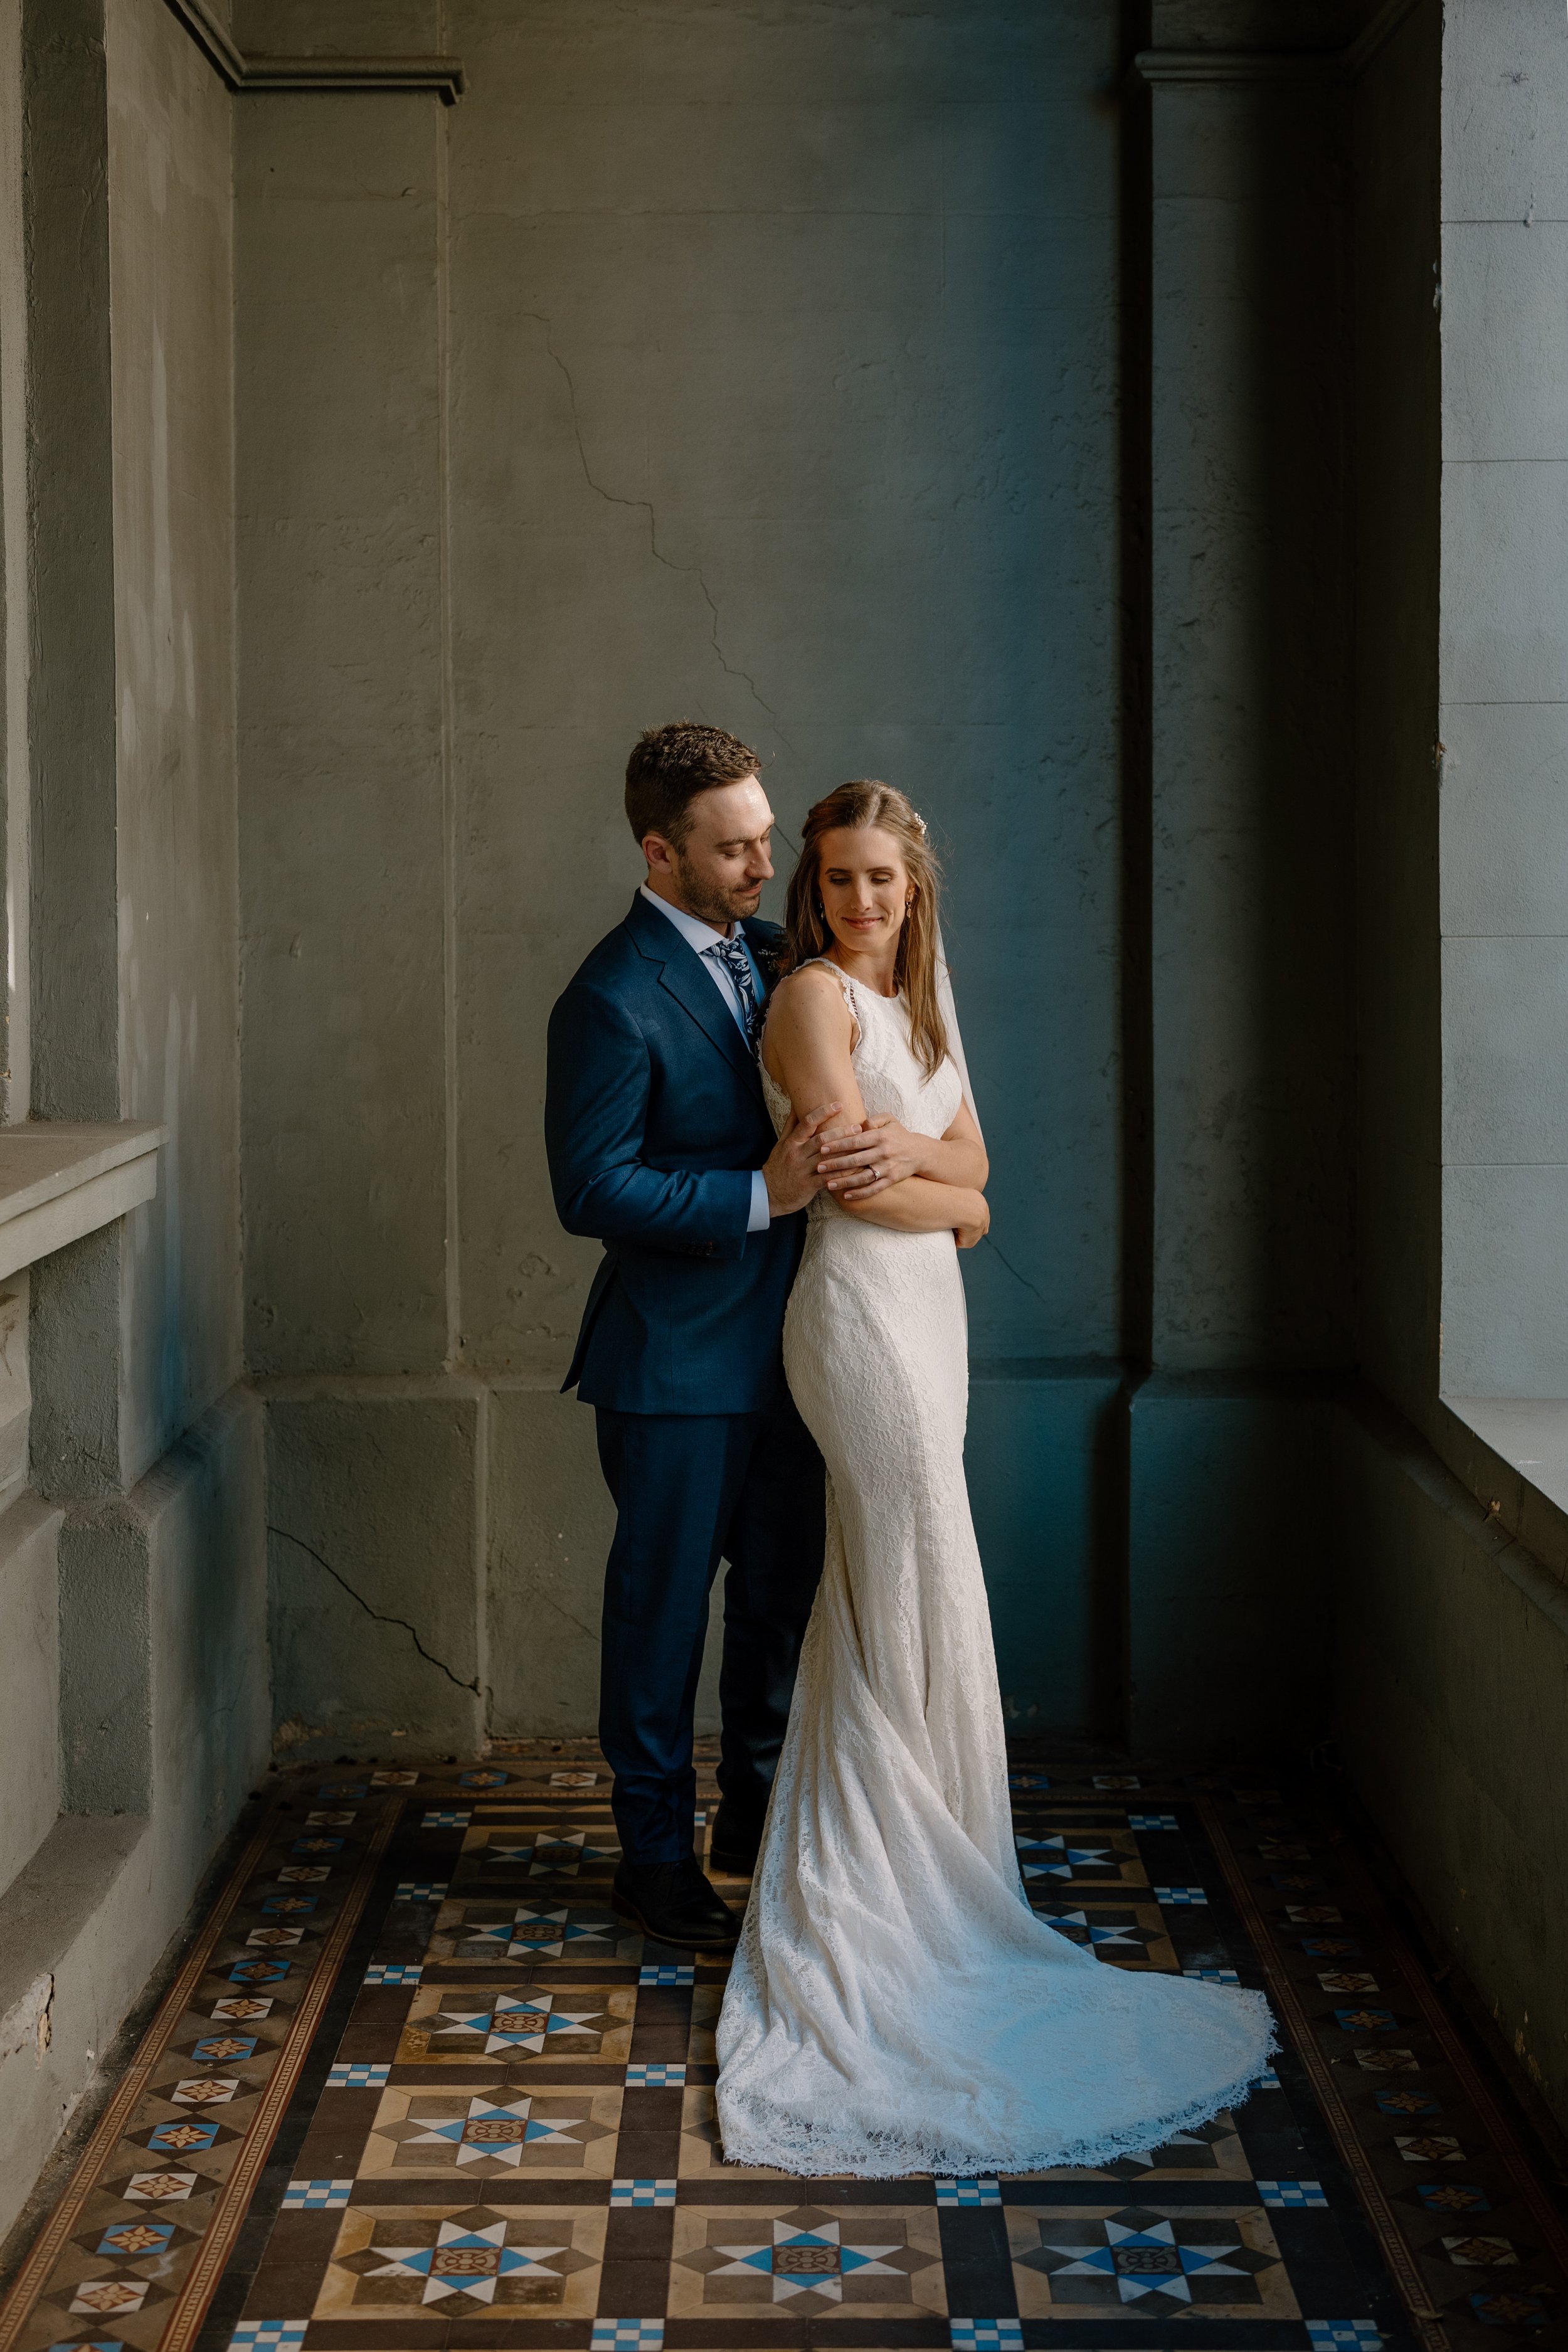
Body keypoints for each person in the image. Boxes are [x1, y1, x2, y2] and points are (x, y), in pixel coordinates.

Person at [714, 779, 1275, 2175]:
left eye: (881, 881)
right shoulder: (812, 1003)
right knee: (913, 1563)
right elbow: (872, 1187)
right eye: (836, 878)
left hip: (930, 1323)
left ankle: (935, 1869)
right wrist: (948, 1192)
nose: (858, 901)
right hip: (853, 1319)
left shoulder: (917, 1006)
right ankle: (886, 1895)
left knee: (910, 1571)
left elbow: (977, 1166)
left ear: (915, 889)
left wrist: (946, 1180)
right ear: (814, 892)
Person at [544, 722, 834, 1950]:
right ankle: (651, 1860)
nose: (764, 866)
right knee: (661, 1616)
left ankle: (752, 1820)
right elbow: (589, 1189)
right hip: (669, 1363)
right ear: (660, 853)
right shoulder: (609, 999)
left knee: (779, 1596)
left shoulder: (778, 959)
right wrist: (760, 1195)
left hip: (798, 1353)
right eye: (734, 850)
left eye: (766, 839)